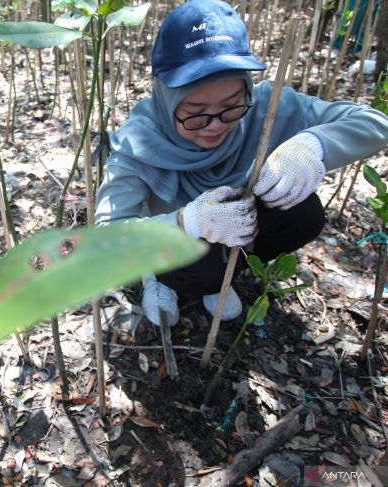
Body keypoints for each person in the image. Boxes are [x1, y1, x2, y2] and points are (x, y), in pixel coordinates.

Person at [94, 0, 388, 327]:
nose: (215, 124)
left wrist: (313, 144)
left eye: (232, 106)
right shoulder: (138, 141)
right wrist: (187, 222)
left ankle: (226, 275)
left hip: (240, 229)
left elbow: (375, 122)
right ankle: (161, 281)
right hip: (170, 242)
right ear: (166, 98)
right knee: (196, 266)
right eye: (194, 113)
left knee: (304, 213)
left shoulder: (267, 107)